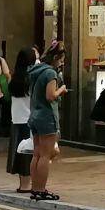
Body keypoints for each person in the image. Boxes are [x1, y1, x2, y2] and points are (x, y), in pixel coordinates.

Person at [28, 41, 67, 201]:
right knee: (46, 155)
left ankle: (34, 188)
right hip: (46, 116)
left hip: (35, 114)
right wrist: (61, 89)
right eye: (61, 59)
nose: (62, 63)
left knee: (36, 154)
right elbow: (50, 95)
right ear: (56, 58)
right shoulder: (50, 73)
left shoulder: (35, 71)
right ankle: (41, 189)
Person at [7, 47, 37, 193]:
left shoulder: (15, 78)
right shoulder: (31, 77)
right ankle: (27, 185)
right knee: (28, 152)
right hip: (29, 119)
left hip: (17, 118)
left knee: (19, 150)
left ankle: (22, 184)